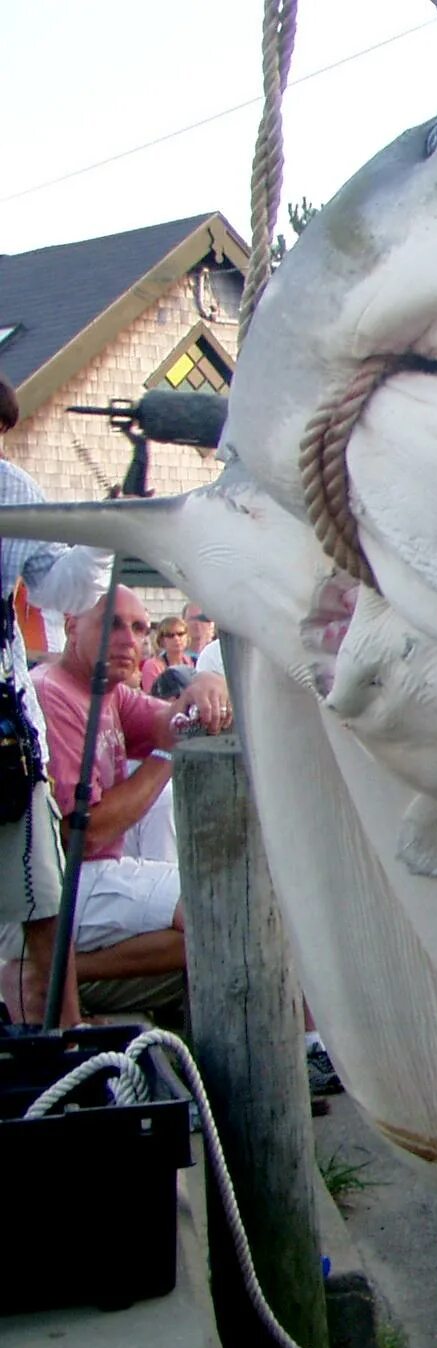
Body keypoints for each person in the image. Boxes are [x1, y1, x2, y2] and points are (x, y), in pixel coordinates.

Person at [33, 588, 232, 1000]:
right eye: (112, 625)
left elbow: (169, 720)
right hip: (62, 886)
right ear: (71, 626)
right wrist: (165, 756)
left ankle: (56, 971)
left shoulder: (108, 694)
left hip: (96, 878)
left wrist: (207, 681)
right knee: (222, 908)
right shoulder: (52, 693)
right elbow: (82, 834)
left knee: (229, 907)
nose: (129, 639)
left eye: (140, 627)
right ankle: (44, 974)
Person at [0, 376, 111, 1025]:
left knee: (43, 904)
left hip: (6, 735)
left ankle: (67, 1047)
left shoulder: (11, 489)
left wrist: (100, 532)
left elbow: (63, 592)